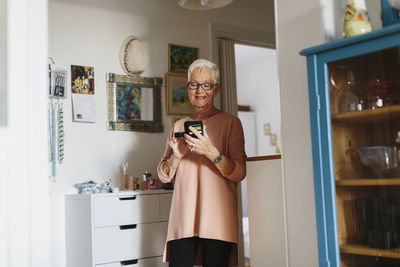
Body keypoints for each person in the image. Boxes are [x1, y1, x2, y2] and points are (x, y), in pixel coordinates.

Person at [157, 59, 246, 267]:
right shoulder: (179, 124)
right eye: (194, 84)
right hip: (183, 219)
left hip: (218, 220)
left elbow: (239, 172)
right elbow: (163, 174)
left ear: (216, 90)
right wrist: (176, 156)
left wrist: (212, 152)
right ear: (188, 88)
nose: (199, 91)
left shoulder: (231, 123)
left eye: (206, 85)